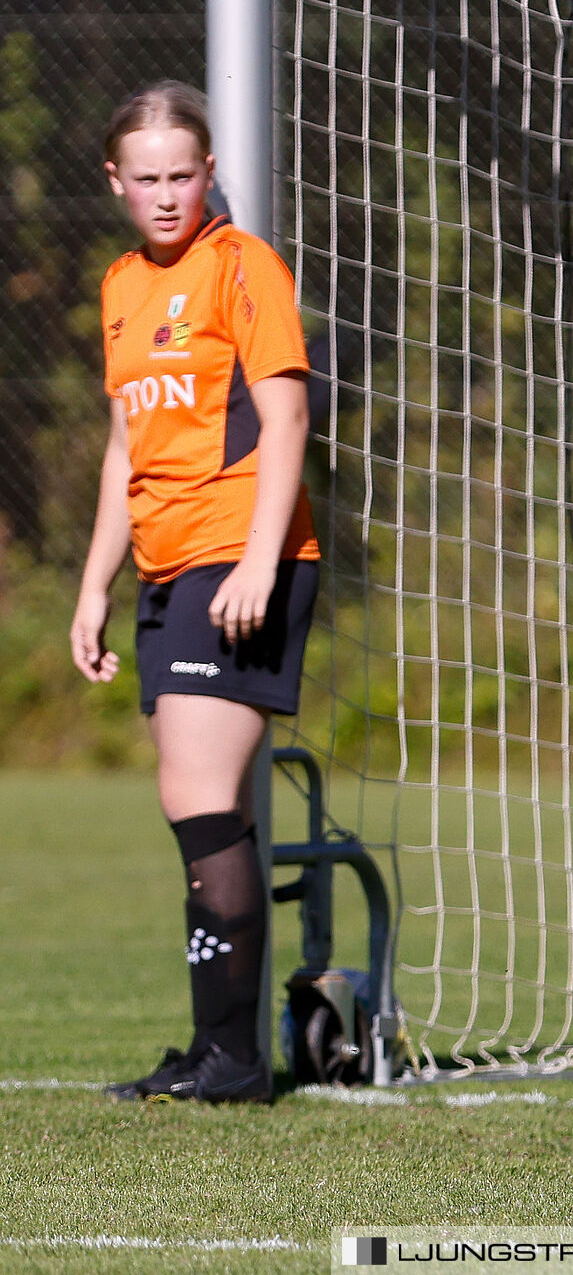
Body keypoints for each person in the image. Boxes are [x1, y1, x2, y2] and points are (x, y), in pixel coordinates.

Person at [71, 81, 319, 1105]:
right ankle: (222, 1046)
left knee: (201, 796)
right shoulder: (122, 286)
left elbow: (287, 418)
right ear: (117, 182)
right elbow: (127, 444)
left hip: (239, 556)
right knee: (192, 801)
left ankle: (234, 1056)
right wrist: (94, 585)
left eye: (184, 176)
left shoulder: (240, 266)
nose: (167, 196)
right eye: (148, 179)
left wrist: (261, 561)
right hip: (170, 568)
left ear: (208, 173)